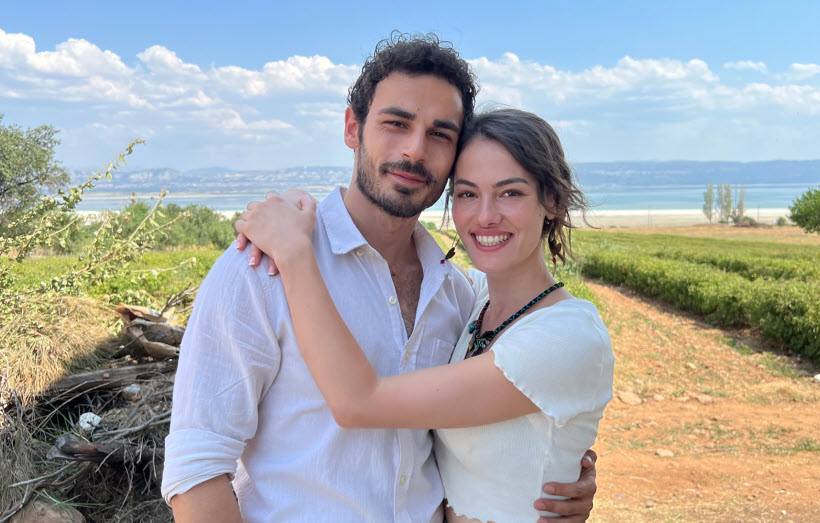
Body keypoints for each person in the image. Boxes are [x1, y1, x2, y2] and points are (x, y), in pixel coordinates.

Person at [162, 33, 599, 522]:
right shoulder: (262, 266)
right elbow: (197, 468)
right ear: (353, 128)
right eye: (396, 123)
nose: (414, 150)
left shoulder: (457, 296)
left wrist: (556, 467)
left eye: (440, 134)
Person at [235, 108, 614, 522]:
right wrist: (297, 206)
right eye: (467, 194)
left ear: (552, 200)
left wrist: (295, 253)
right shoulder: (472, 299)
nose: (485, 215)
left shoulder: (568, 335)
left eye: (510, 193)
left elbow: (359, 402)